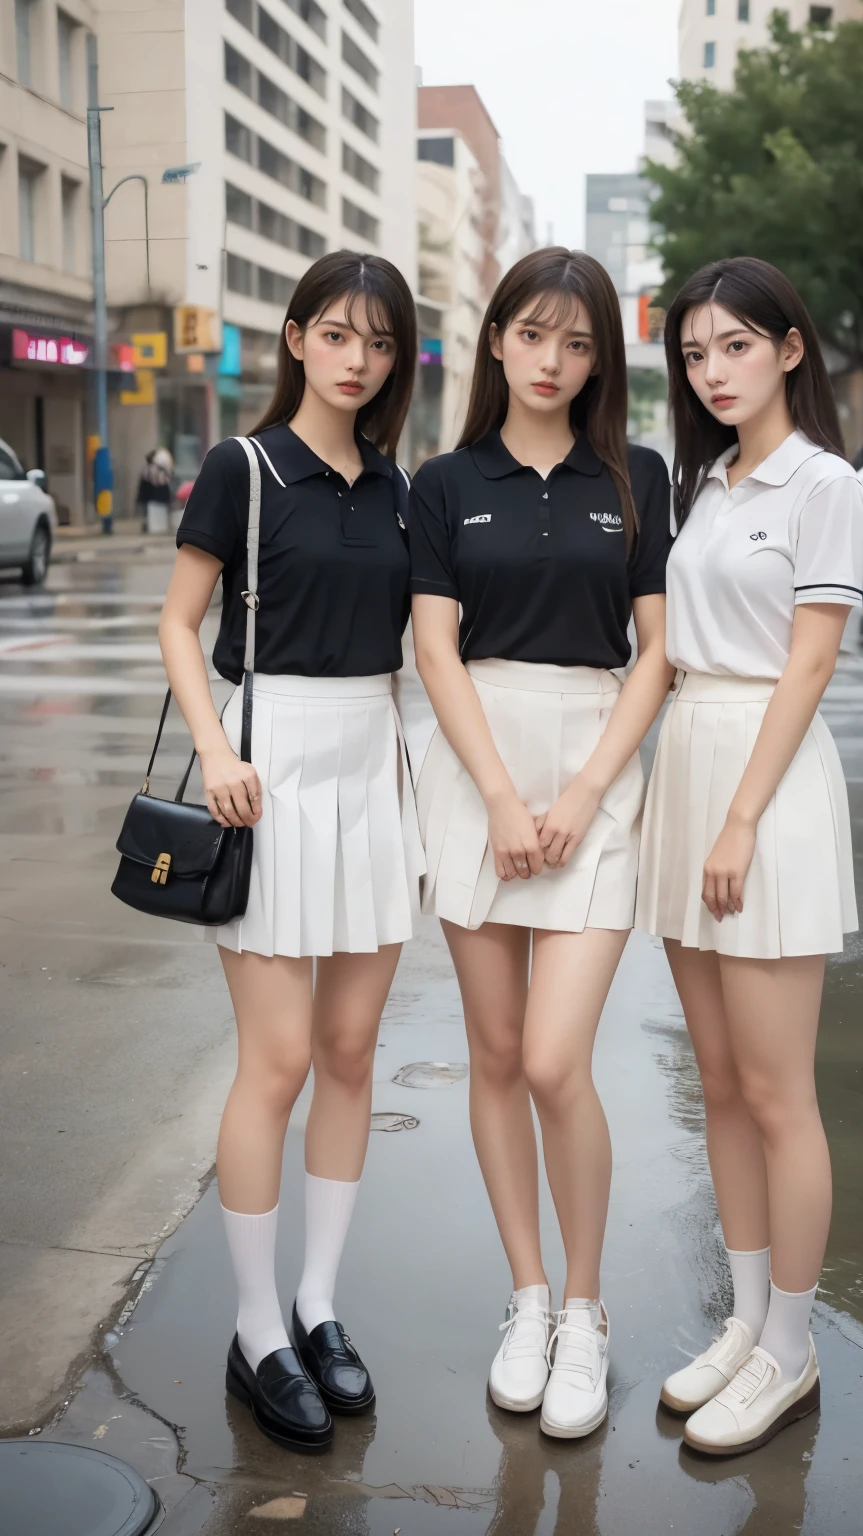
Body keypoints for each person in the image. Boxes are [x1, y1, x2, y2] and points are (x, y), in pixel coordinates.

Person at [158, 251, 422, 1453]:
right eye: (339, 335)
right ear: (298, 337)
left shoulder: (399, 486)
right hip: (269, 767)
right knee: (275, 1063)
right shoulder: (243, 467)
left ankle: (320, 1304)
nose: (359, 359)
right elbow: (180, 619)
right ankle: (257, 1323)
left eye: (380, 342)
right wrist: (215, 751)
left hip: (372, 766)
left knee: (352, 1049)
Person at [408, 248, 674, 1440]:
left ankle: (585, 1308)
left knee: (559, 1062)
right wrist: (506, 798)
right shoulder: (443, 479)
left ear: (599, 359)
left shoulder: (638, 476)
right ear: (497, 341)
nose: (553, 362)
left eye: (578, 345)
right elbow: (433, 649)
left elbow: (657, 651)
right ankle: (526, 1300)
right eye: (532, 336)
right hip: (478, 773)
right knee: (500, 1056)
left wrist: (579, 793)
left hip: (597, 770)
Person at [636, 256, 863, 1455]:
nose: (711, 370)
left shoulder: (819, 482)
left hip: (763, 787)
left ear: (789, 348)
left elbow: (812, 662)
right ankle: (745, 1321)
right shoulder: (711, 481)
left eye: (734, 345)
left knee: (780, 1091)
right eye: (693, 353)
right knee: (718, 1082)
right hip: (690, 758)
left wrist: (736, 819)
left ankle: (791, 1341)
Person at [136, 446, 173, 534]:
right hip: (155, 492)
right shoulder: (154, 469)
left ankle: (149, 525)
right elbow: (161, 480)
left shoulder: (149, 469)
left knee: (149, 512)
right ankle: (152, 525)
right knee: (155, 511)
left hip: (151, 493)